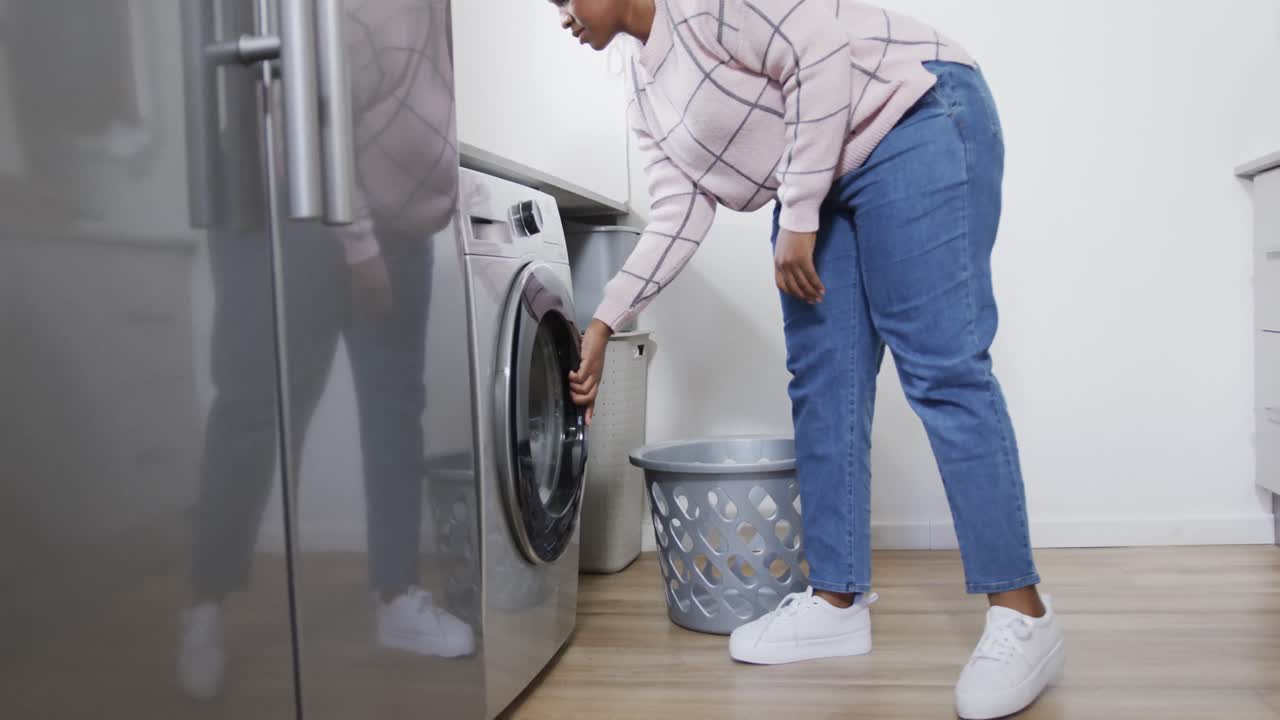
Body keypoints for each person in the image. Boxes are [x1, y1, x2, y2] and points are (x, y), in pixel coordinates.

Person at [555, 1, 1064, 718]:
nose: (562, 14)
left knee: (943, 370)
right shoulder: (644, 92)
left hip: (912, 114)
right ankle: (836, 601)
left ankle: (1023, 614)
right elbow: (678, 211)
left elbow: (818, 53)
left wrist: (796, 216)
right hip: (821, 172)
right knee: (824, 385)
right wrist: (607, 319)